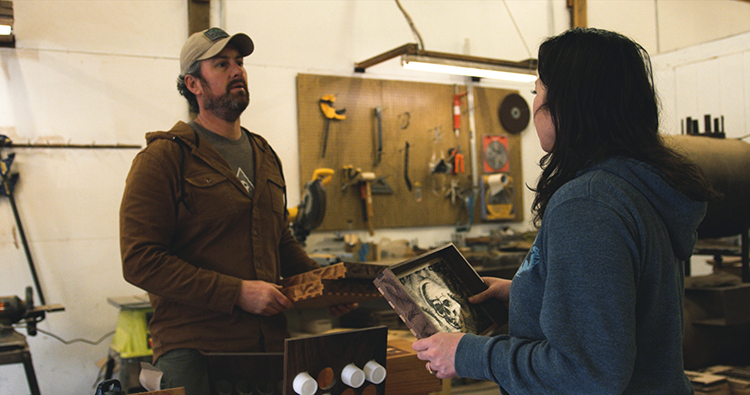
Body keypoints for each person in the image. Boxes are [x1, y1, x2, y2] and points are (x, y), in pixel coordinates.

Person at [413, 28, 717, 394]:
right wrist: (529, 292)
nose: (535, 101)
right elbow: (625, 301)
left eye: (538, 90)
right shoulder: (635, 185)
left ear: (569, 103)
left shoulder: (589, 203)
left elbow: (586, 374)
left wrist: (468, 353)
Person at [119, 28, 354, 395]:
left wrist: (322, 285)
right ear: (193, 84)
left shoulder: (264, 154)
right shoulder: (164, 158)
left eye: (240, 63)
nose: (237, 71)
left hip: (271, 346)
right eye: (222, 64)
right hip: (197, 350)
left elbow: (279, 240)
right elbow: (140, 260)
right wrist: (237, 292)